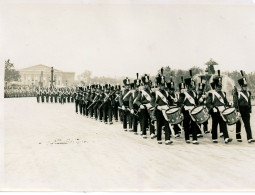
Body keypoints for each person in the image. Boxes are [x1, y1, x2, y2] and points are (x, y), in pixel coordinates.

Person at [205, 70, 233, 144]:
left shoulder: (223, 93)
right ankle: (214, 137)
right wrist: (212, 107)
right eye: (218, 86)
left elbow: (225, 102)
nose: (219, 88)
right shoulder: (212, 94)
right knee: (215, 124)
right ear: (215, 86)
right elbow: (208, 103)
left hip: (222, 111)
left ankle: (226, 138)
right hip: (215, 111)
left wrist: (229, 104)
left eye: (220, 86)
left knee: (223, 124)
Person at [178, 70, 199, 144]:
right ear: (187, 86)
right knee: (186, 125)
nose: (191, 87)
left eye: (192, 86)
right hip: (186, 111)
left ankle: (195, 138)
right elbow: (180, 103)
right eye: (190, 86)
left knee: (194, 124)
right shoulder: (183, 94)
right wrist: (184, 107)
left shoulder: (194, 93)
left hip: (193, 110)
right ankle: (187, 138)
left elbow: (196, 102)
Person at [234, 71, 255, 143]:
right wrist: (237, 111)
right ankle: (238, 136)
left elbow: (249, 102)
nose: (245, 87)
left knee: (247, 124)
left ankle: (249, 138)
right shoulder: (238, 93)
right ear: (241, 86)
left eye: (246, 86)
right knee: (238, 123)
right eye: (244, 86)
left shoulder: (248, 93)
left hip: (246, 110)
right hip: (240, 109)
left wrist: (250, 110)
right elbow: (235, 102)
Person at [135, 74, 156, 139]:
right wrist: (140, 105)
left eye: (147, 84)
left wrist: (151, 104)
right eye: (145, 84)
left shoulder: (152, 91)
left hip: (150, 107)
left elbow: (154, 98)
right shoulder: (141, 92)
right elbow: (137, 100)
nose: (146, 85)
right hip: (143, 107)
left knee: (151, 120)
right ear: (143, 84)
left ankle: (152, 133)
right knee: (144, 120)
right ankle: (144, 133)